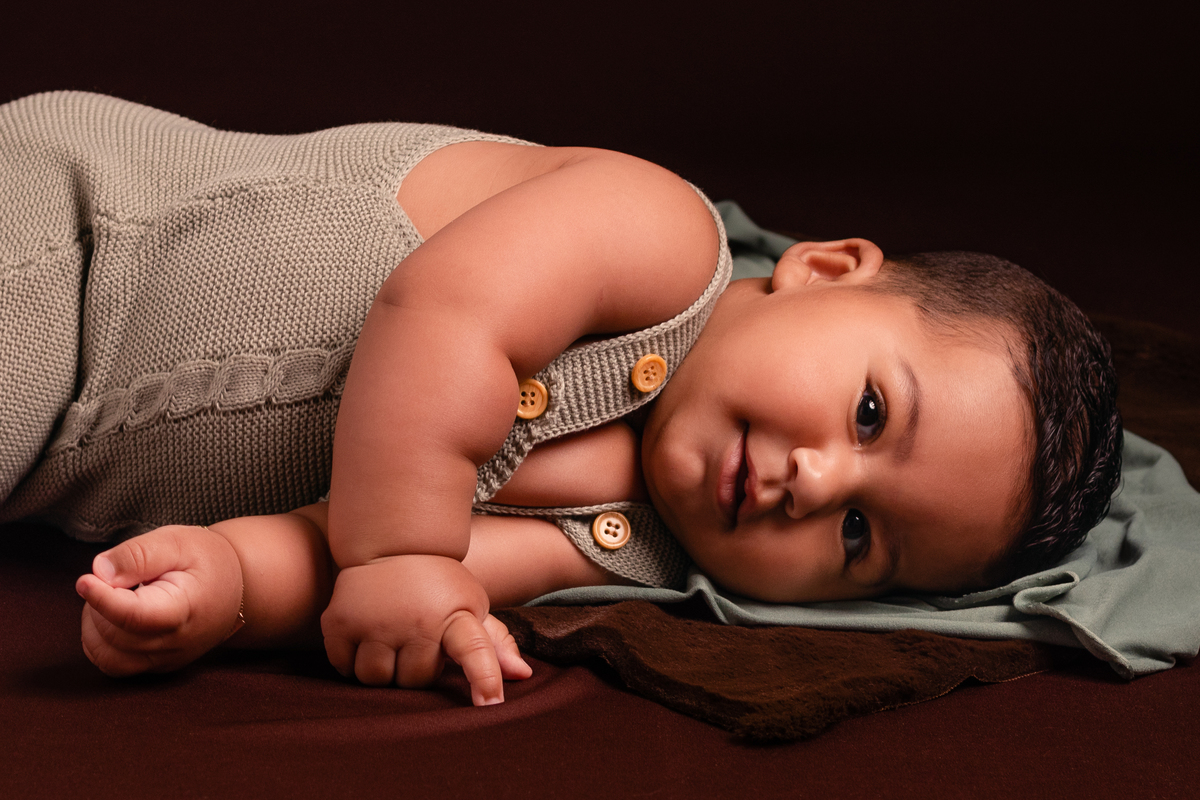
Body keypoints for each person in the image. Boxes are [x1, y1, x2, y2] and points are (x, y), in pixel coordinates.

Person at [1, 92, 1121, 706]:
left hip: (59, 445)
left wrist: (233, 585)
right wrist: (404, 554)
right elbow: (446, 315)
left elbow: (353, 557)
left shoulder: (624, 553)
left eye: (861, 536)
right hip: (78, 244)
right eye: (870, 414)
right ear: (825, 269)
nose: (815, 483)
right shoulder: (657, 236)